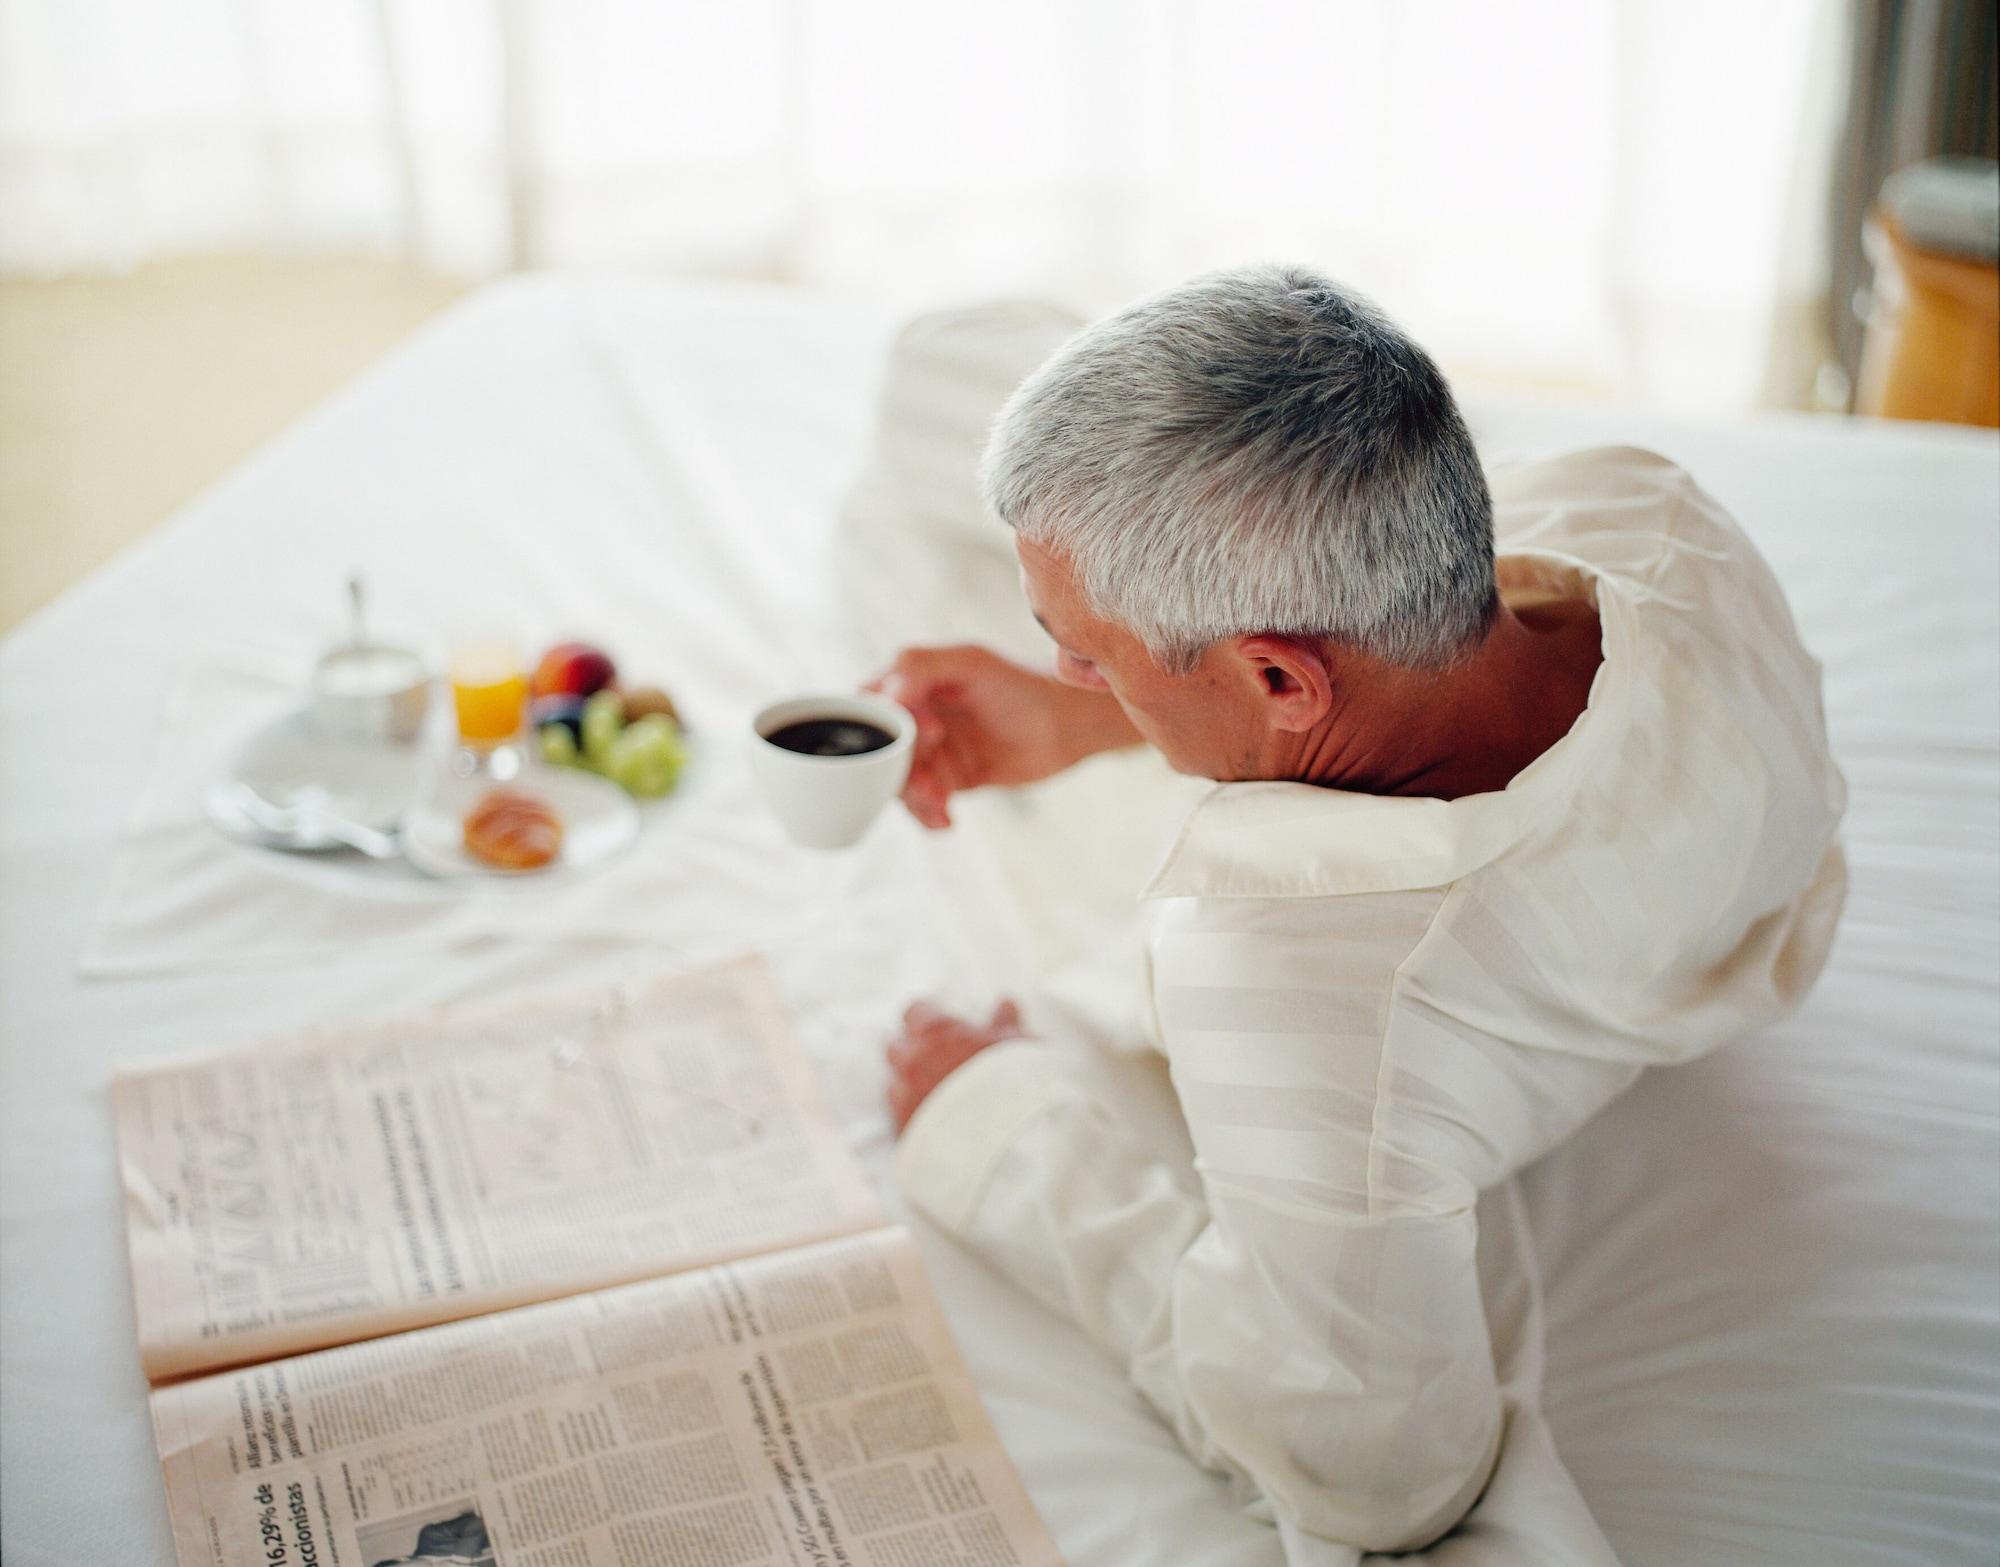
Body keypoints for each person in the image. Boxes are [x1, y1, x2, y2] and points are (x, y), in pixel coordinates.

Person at [873, 265, 1846, 1555]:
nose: (1064, 668)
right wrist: (1082, 710)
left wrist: (989, 1124)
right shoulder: (1646, 508)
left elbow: (1376, 1475)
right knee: (939, 368)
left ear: (1279, 678)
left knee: (920, 374)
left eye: (1085, 652)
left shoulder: (1303, 995)